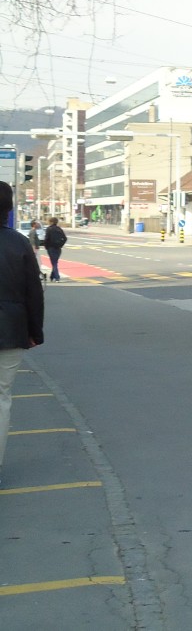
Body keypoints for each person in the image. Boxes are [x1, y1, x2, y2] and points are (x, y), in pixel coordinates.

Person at [0, 182, 46, 486]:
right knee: (2, 396)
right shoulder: (18, 244)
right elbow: (34, 292)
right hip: (11, 328)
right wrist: (34, 331)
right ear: (9, 208)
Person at [42, 217, 68, 282]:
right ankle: (52, 276)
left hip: (51, 248)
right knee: (55, 262)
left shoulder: (49, 229)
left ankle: (57, 277)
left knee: (54, 263)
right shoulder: (59, 229)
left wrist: (46, 246)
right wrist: (61, 245)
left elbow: (46, 238)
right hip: (58, 248)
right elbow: (65, 238)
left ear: (51, 222)